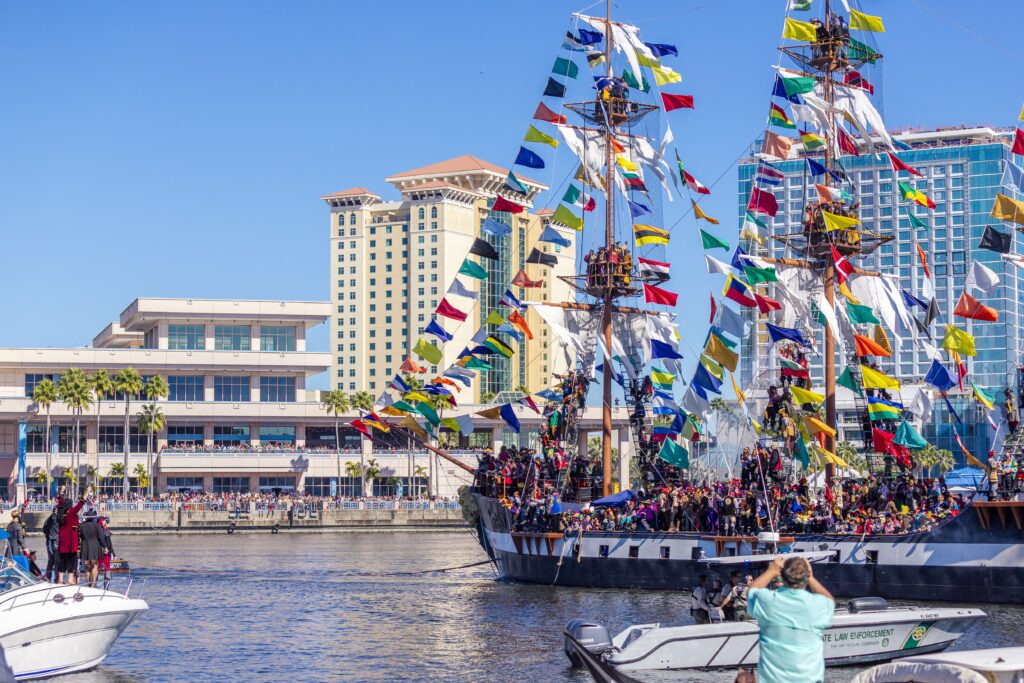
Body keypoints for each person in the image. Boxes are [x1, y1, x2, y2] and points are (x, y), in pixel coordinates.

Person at [747, 557, 835, 683]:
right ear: (805, 576)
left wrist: (771, 571)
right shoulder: (816, 605)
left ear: (782, 577)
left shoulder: (768, 601)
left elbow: (752, 592)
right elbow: (829, 601)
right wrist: (811, 578)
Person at [57, 485, 91, 585]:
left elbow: (59, 501)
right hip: (71, 540)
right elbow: (81, 502)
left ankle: (60, 579)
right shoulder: (71, 512)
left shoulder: (60, 512)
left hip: (63, 540)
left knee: (62, 560)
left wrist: (62, 491)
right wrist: (87, 491)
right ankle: (70, 579)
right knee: (73, 560)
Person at [78, 509, 103, 588]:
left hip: (85, 546)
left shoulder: (81, 526)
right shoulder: (97, 525)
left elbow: (79, 536)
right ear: (93, 518)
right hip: (95, 547)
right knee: (95, 565)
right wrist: (105, 546)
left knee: (87, 566)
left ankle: (88, 582)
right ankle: (93, 582)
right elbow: (101, 537)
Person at [42, 507, 61, 582]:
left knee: (50, 561)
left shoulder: (48, 520)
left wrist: (47, 536)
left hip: (49, 541)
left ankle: (48, 577)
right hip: (57, 541)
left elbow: (44, 529)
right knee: (57, 561)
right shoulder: (58, 519)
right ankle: (57, 579)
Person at [98, 516, 115, 590]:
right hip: (100, 552)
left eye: (105, 520)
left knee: (107, 570)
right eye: (103, 520)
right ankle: (94, 586)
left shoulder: (106, 530)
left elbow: (110, 543)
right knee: (97, 569)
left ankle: (106, 587)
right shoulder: (99, 530)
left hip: (107, 553)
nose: (105, 522)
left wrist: (113, 553)